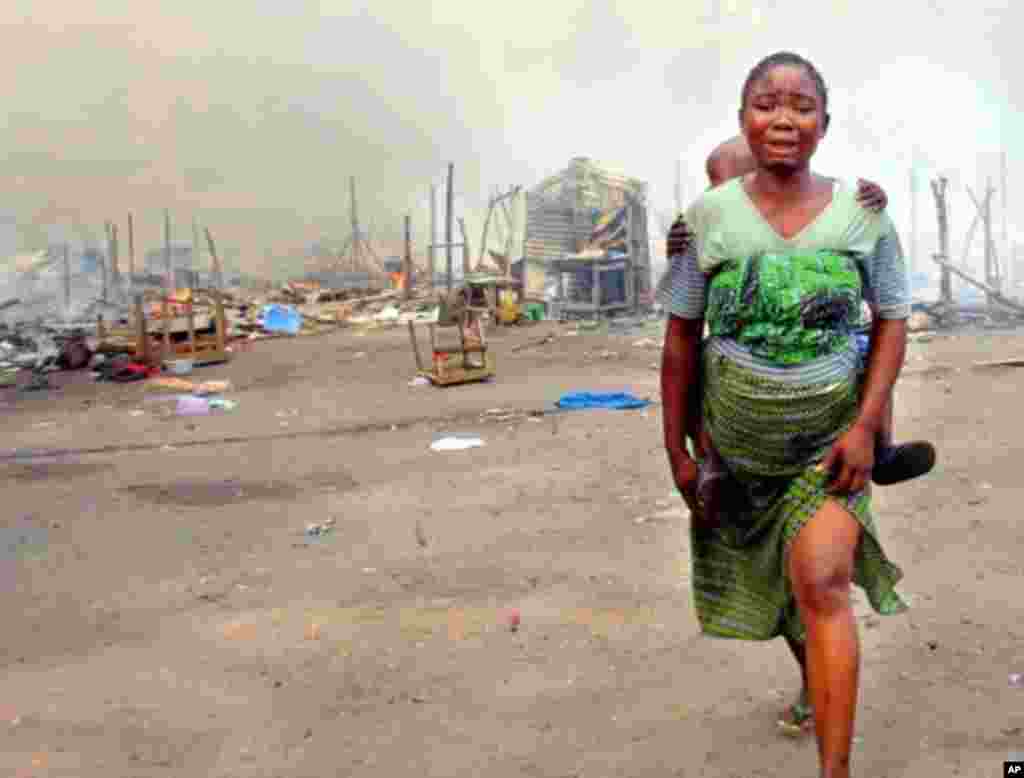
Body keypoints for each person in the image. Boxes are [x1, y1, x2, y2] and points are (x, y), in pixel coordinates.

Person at [659, 51, 916, 778]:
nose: (784, 119)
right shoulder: (704, 219)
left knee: (823, 586)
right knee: (784, 593)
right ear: (743, 117)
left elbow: (893, 317)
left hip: (827, 450)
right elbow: (679, 338)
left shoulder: (861, 213)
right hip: (735, 452)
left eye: (801, 106)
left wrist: (866, 428)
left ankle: (833, 771)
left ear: (824, 123)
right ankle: (810, 678)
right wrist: (679, 452)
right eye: (767, 104)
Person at [667, 135, 936, 488]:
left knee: (871, 354)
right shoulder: (706, 222)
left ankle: (880, 446)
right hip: (741, 361)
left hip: (830, 350)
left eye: (726, 184)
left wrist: (872, 203)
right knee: (700, 368)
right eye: (713, 185)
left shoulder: (832, 211)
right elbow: (682, 318)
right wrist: (678, 244)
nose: (718, 195)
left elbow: (886, 306)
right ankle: (711, 456)